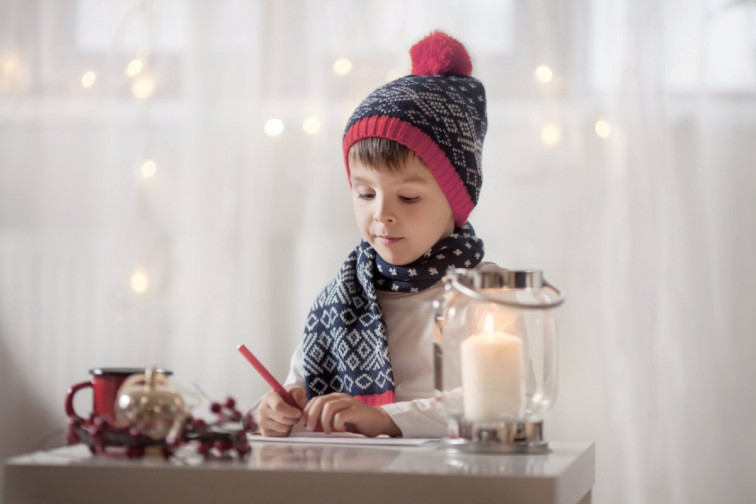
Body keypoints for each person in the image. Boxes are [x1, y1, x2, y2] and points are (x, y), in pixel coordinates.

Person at [255, 30, 488, 438]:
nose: (382, 214)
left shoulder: (486, 296)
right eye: (365, 193)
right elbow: (301, 386)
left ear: (456, 201)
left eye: (409, 197)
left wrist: (387, 418)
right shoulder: (341, 299)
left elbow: (495, 400)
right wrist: (275, 407)